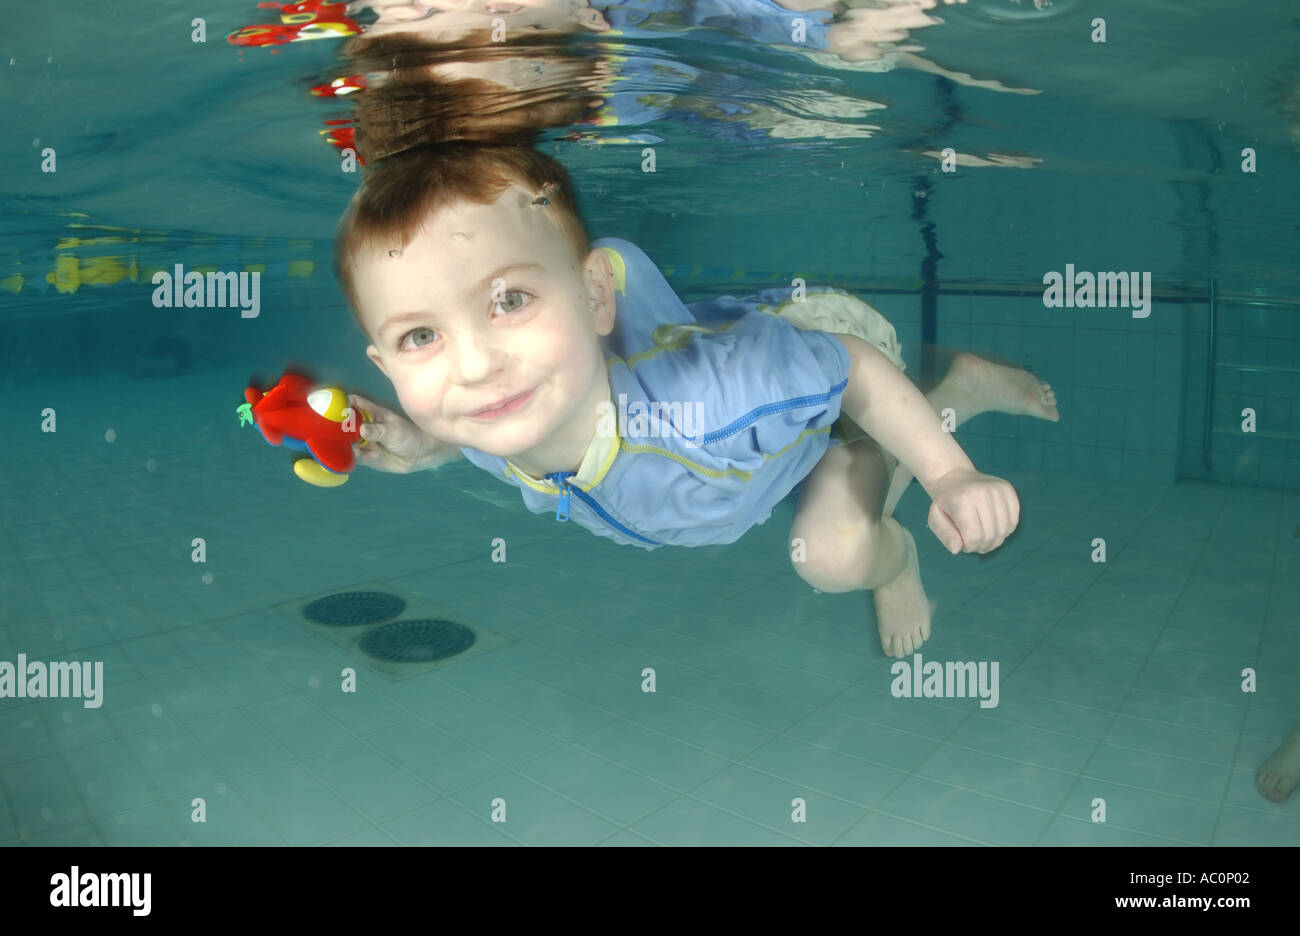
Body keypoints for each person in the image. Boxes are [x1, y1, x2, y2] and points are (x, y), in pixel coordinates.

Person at [333, 142, 1059, 657]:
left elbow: (854, 368)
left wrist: (949, 474)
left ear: (593, 296)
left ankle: (905, 540)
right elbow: (476, 431)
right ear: (381, 363)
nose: (474, 366)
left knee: (834, 553)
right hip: (760, 431)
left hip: (826, 361)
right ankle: (955, 384)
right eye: (420, 336)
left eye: (510, 299)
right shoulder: (505, 415)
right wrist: (424, 444)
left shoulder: (714, 407)